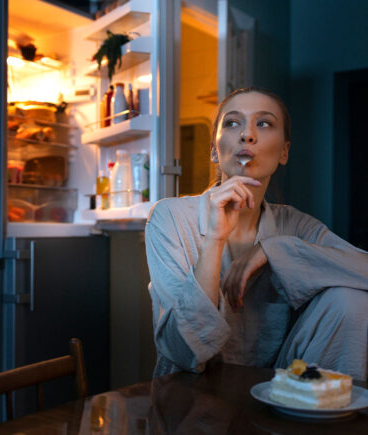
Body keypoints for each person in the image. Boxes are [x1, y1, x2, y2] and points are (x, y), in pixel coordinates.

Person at [145, 87, 368, 381]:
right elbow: (184, 352)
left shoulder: (296, 226)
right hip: (191, 394)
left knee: (351, 300)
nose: (247, 135)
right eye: (232, 122)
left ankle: (320, 404)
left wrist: (275, 250)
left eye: (263, 123)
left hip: (277, 390)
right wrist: (214, 239)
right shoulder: (170, 217)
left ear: (284, 152)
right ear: (214, 150)